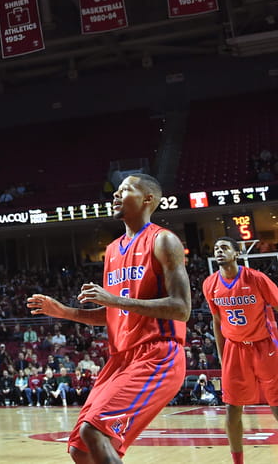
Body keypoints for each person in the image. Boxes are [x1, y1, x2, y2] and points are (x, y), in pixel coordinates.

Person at [26, 173, 190, 464]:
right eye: (116, 190)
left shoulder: (163, 240)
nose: (115, 195)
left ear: (148, 199)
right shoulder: (113, 250)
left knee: (94, 432)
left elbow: (181, 308)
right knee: (81, 449)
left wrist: (115, 299)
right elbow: (111, 314)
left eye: (125, 190)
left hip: (157, 354)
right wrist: (64, 312)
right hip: (121, 359)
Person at [202, 236, 278, 464]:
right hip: (235, 349)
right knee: (232, 408)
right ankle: (238, 461)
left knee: (276, 403)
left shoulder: (256, 278)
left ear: (236, 253)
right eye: (216, 248)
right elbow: (216, 321)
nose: (219, 251)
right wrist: (222, 354)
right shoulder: (210, 284)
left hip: (265, 345)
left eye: (224, 247)